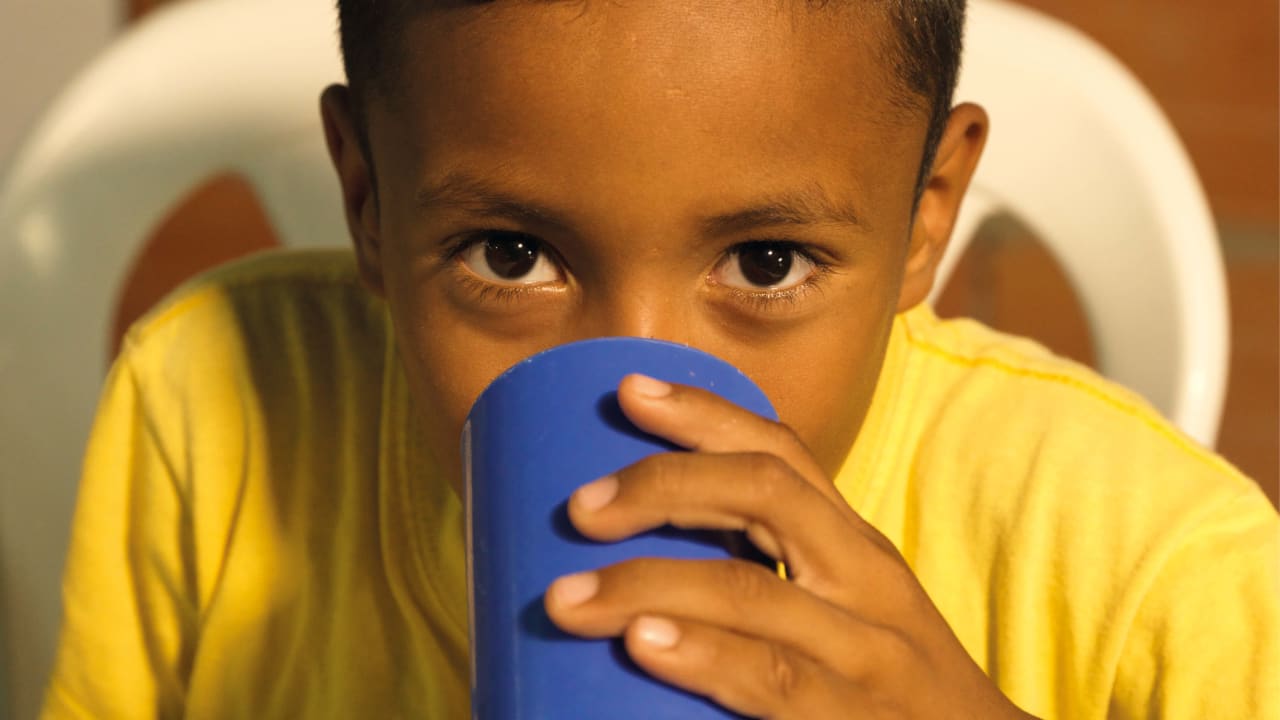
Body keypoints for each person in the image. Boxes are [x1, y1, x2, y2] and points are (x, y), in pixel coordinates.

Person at [40, 1, 1278, 718]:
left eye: (765, 266)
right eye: (512, 256)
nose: (646, 399)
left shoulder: (1161, 571)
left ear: (925, 215)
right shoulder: (211, 403)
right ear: (367, 198)